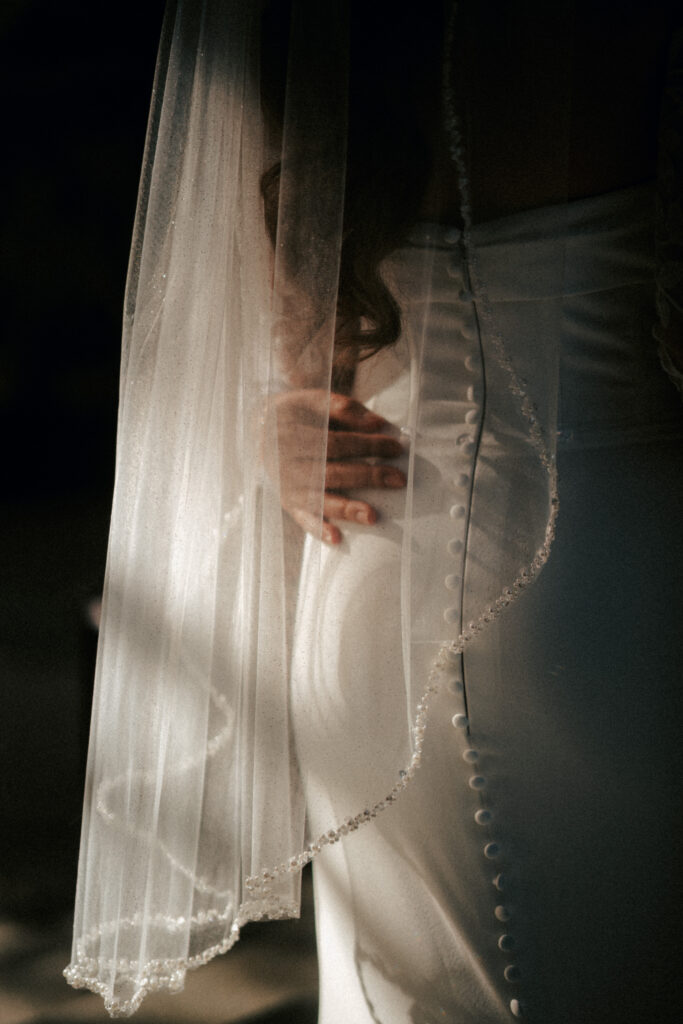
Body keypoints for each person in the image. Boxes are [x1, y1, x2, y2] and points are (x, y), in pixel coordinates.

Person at [66, 1, 683, 1021]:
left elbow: (274, 332)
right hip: (612, 578)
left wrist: (267, 420)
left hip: (367, 566)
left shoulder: (325, 23)